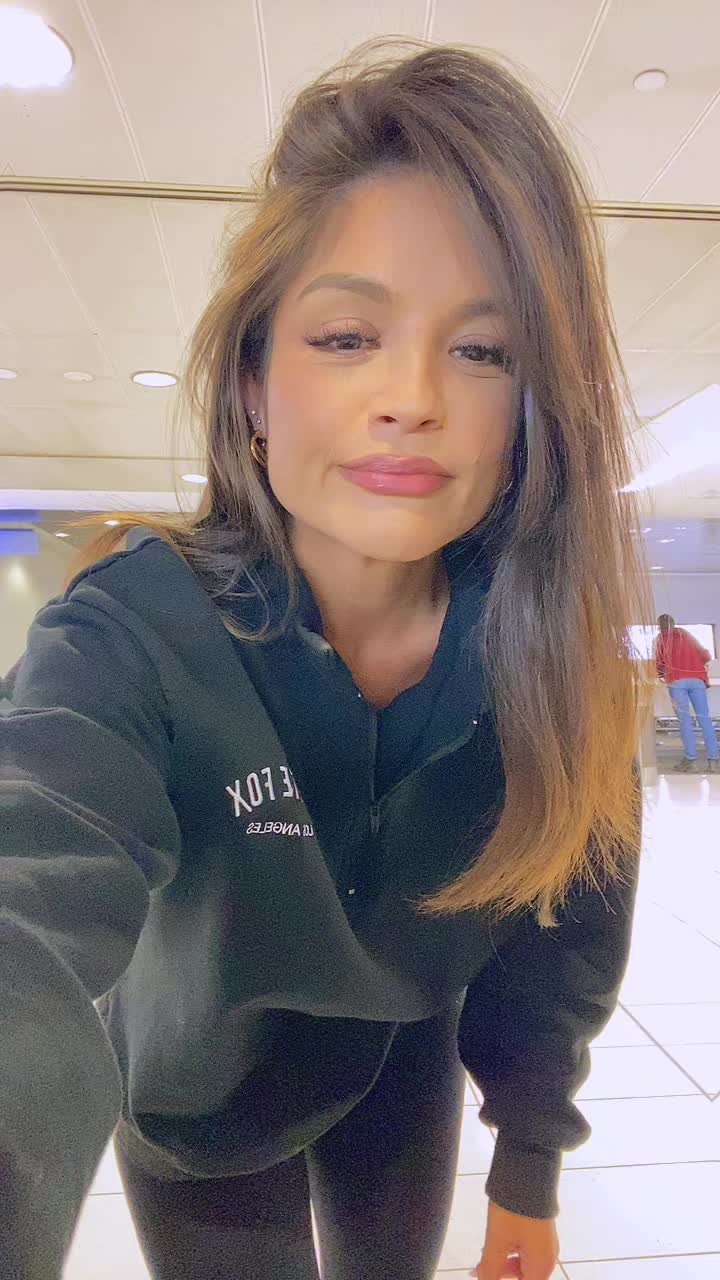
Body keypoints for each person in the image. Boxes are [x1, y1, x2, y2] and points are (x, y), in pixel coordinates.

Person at [0, 40, 649, 1280]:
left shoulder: (549, 664)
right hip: (194, 1094)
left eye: (483, 350)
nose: (411, 395)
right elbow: (28, 876)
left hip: (397, 1066)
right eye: (348, 335)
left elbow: (568, 929)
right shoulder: (133, 633)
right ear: (254, 384)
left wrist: (529, 1161)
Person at [655, 614, 720, 773]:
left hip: (677, 681)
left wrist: (661, 673)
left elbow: (659, 664)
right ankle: (713, 761)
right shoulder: (687, 635)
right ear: (673, 624)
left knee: (685, 721)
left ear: (660, 626)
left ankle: (691, 761)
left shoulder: (661, 639)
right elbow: (706, 655)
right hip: (697, 680)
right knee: (705, 719)